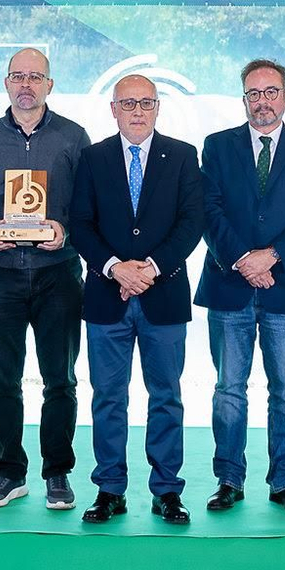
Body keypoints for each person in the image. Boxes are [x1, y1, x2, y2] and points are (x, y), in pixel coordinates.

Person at [69, 74, 205, 525]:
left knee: (166, 395)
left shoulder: (183, 156)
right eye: (129, 103)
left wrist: (148, 268)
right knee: (108, 396)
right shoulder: (92, 158)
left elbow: (191, 223)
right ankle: (109, 489)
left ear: (158, 107)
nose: (138, 111)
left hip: (162, 295)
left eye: (146, 103)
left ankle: (167, 489)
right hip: (107, 296)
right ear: (113, 109)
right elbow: (81, 223)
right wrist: (114, 267)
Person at [196, 58, 285, 515]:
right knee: (229, 389)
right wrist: (242, 260)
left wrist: (269, 257)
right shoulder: (216, 146)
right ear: (244, 99)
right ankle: (228, 479)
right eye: (254, 93)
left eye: (271, 92)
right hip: (229, 285)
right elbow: (208, 211)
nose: (262, 101)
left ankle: (284, 482)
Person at [0, 47, 90, 511]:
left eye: (35, 76)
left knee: (61, 380)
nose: (26, 84)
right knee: (3, 380)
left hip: (59, 276)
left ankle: (57, 472)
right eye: (18, 75)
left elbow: (88, 206)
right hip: (0, 278)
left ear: (49, 85)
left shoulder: (74, 138)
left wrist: (66, 232)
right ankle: (9, 472)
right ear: (5, 83)